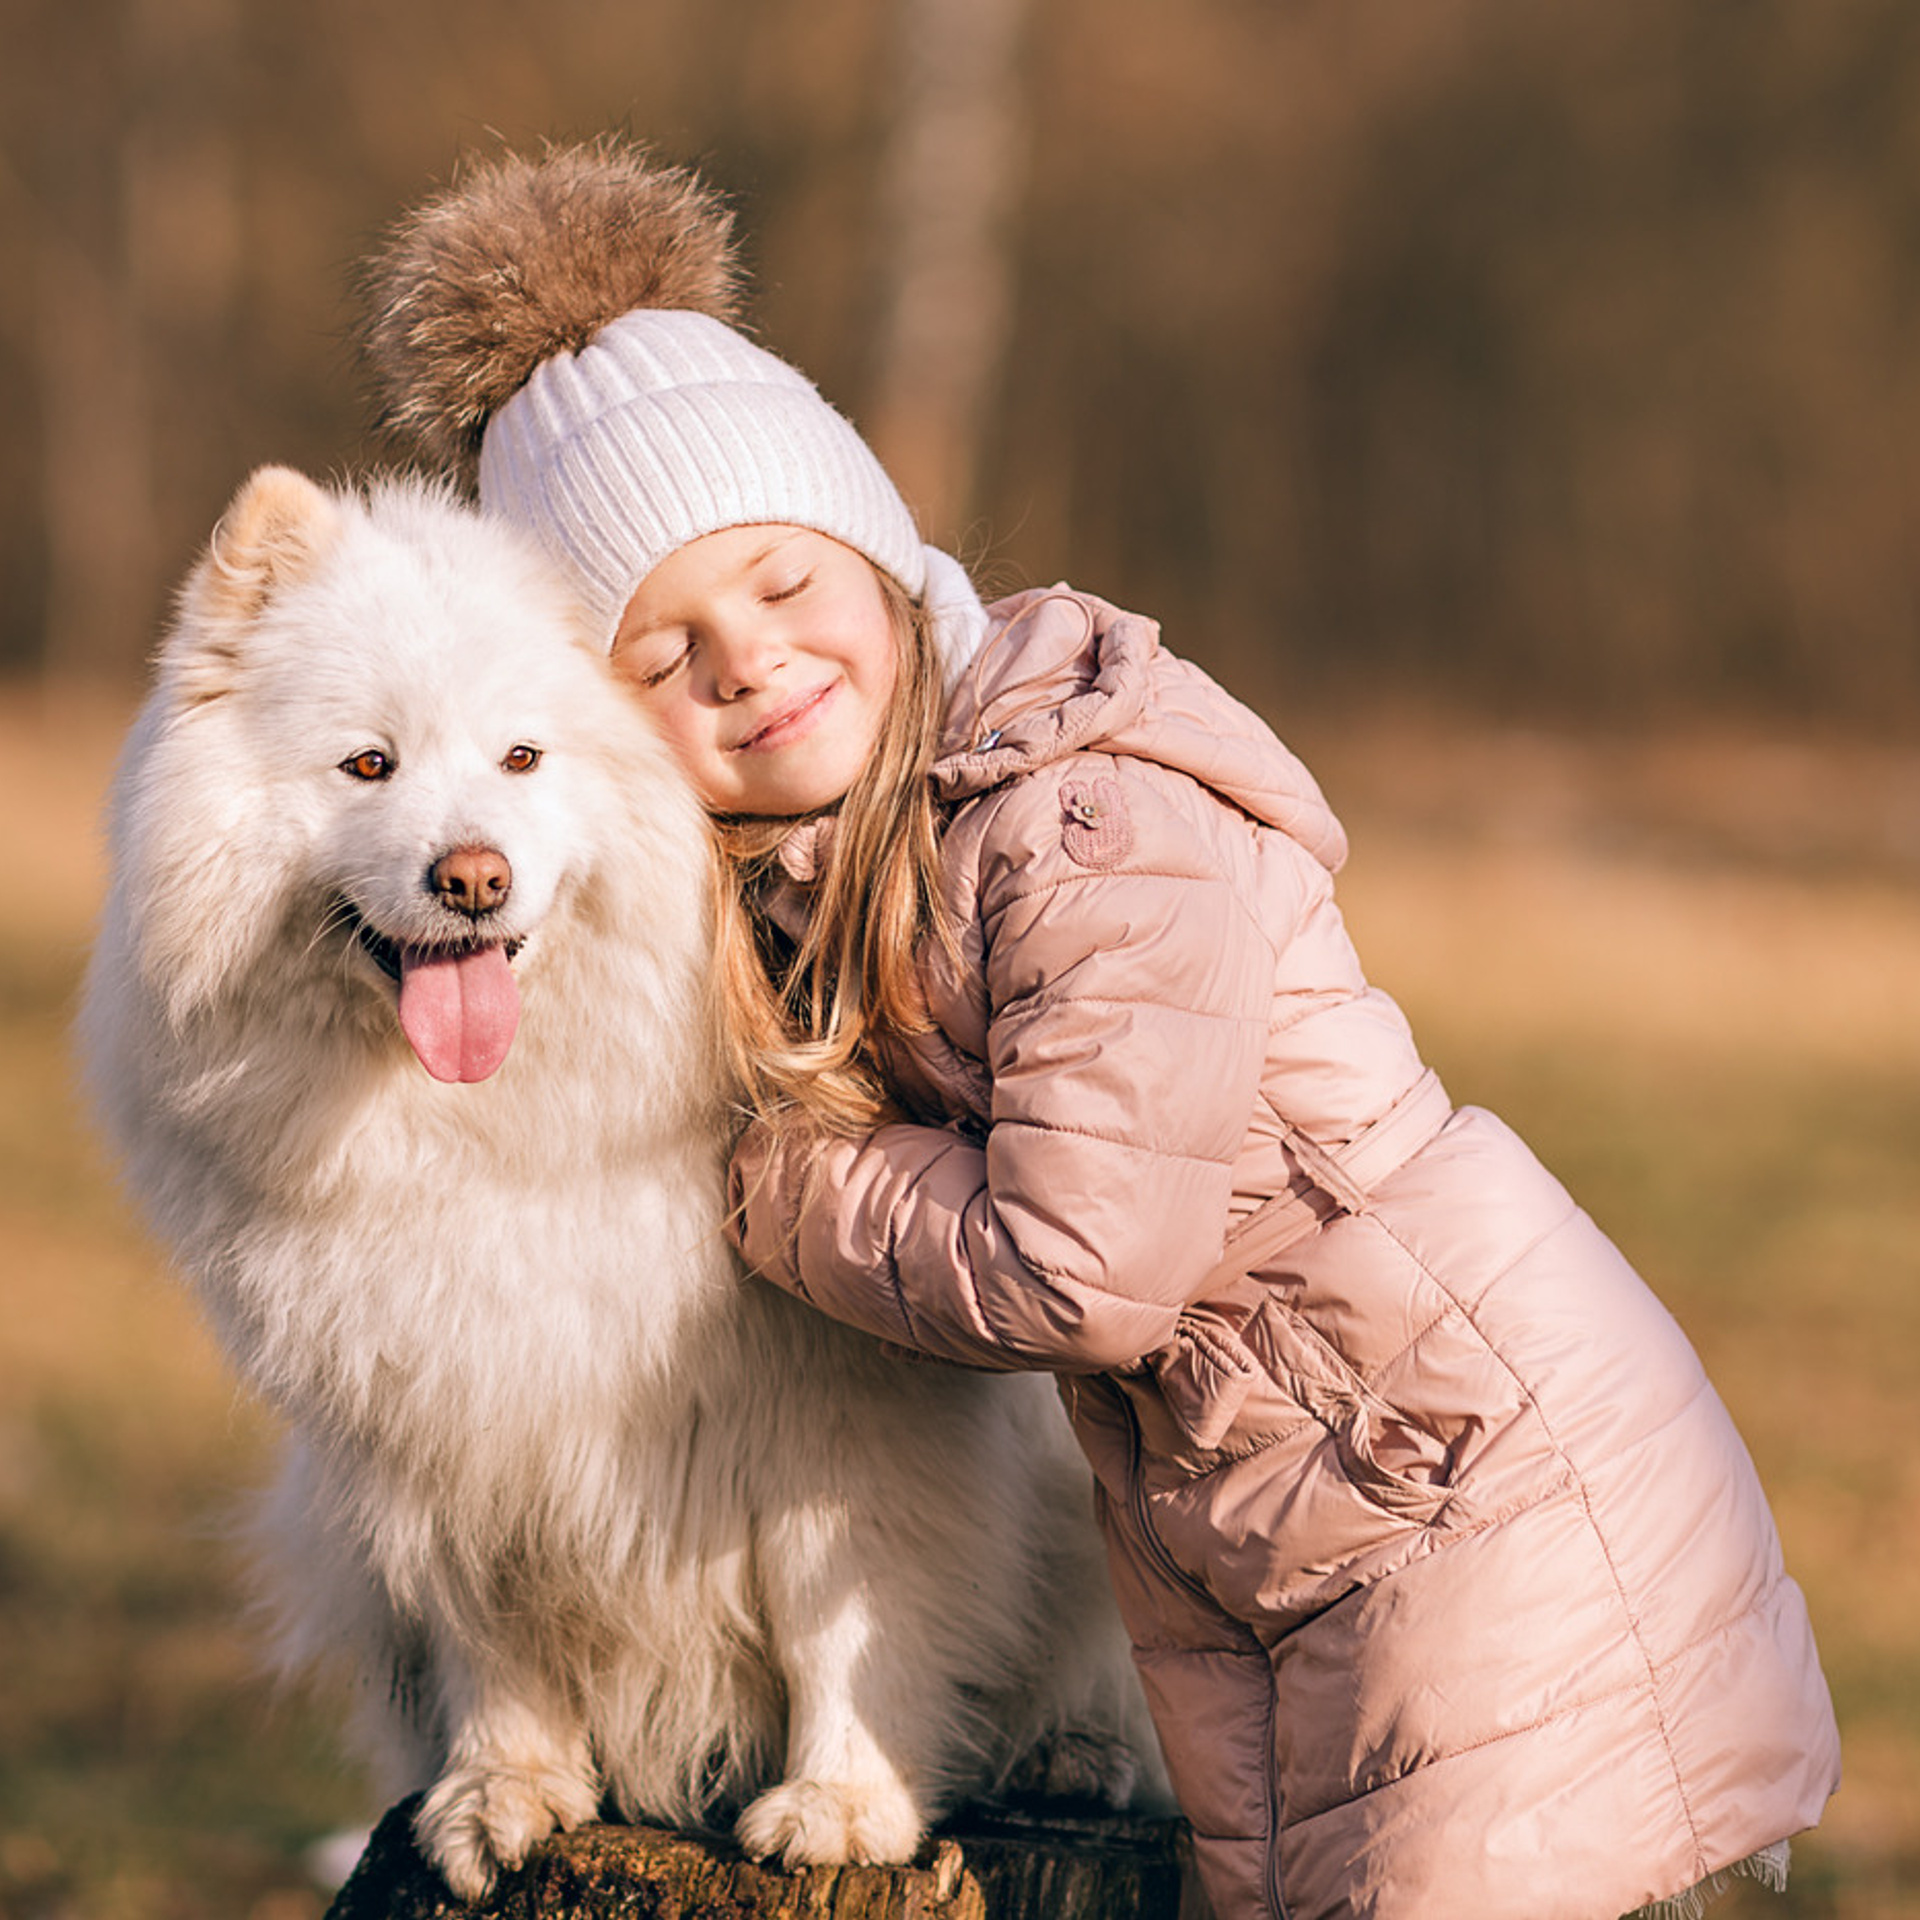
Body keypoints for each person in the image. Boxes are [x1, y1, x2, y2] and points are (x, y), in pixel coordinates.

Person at [361, 140, 1840, 1920]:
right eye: (663, 657)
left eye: (777, 582)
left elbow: (1083, 1267)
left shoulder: (1085, 824)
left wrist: (762, 1184)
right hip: (1302, 1505)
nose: (745, 659)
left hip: (1478, 1491)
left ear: (883, 559)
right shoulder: (848, 862)